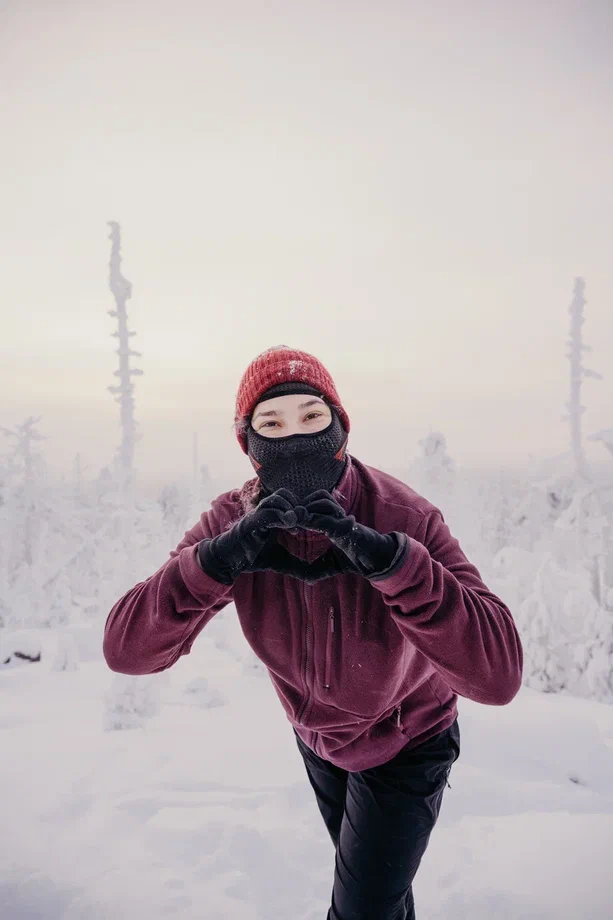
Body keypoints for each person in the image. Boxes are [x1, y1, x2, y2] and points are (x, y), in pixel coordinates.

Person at [103, 345, 523, 920]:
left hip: (408, 740)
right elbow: (126, 650)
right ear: (247, 444)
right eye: (270, 423)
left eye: (311, 416)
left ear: (340, 426)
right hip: (320, 741)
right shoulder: (233, 522)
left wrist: (395, 565)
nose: (293, 436)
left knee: (362, 909)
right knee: (379, 896)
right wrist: (214, 562)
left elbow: (497, 675)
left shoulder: (403, 516)